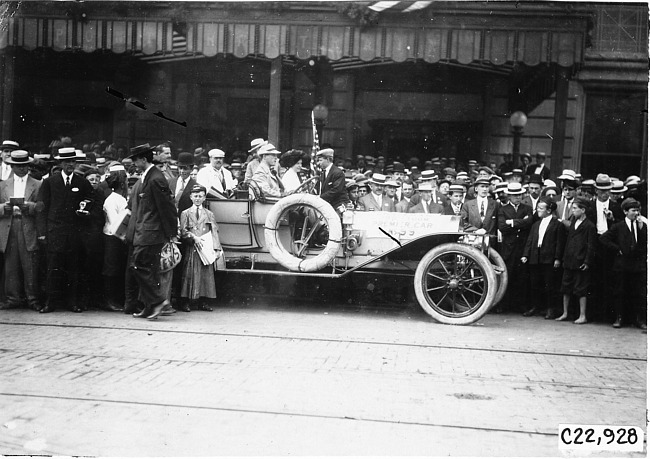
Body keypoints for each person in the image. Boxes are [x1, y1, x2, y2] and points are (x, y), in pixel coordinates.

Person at [123, 144, 178, 320]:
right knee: (149, 269)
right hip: (145, 231)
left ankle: (158, 301)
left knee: (138, 264)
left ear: (144, 159)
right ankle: (149, 306)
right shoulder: (148, 176)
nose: (133, 163)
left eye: (135, 160)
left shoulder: (155, 178)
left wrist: (171, 233)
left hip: (150, 233)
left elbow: (167, 207)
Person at [37, 147, 94, 313]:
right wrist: (42, 233)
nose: (70, 165)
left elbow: (90, 200)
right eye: (67, 162)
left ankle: (72, 302)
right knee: (52, 269)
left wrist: (86, 210)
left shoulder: (82, 182)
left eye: (73, 162)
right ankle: (50, 302)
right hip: (55, 233)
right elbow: (42, 209)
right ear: (61, 163)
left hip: (74, 234)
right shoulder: (49, 182)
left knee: (73, 270)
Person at [0, 150, 42, 311]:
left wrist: (30, 207)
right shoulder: (3, 185)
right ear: (12, 166)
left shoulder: (37, 184)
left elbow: (42, 206)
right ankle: (13, 298)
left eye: (25, 165)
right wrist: (4, 208)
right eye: (18, 166)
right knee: (11, 264)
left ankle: (32, 298)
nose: (22, 169)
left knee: (30, 262)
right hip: (10, 225)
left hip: (28, 225)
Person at [599, 198, 647, 329]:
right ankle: (619, 318)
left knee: (638, 293)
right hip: (622, 265)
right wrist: (617, 249)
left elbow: (644, 243)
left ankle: (639, 319)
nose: (636, 213)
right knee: (620, 292)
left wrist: (642, 229)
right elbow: (603, 238)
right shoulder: (618, 226)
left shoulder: (642, 225)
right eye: (633, 211)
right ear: (625, 212)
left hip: (637, 265)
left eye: (638, 210)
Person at [520, 197, 566, 319]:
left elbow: (559, 243)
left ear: (549, 210)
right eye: (538, 208)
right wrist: (525, 254)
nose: (538, 210)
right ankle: (536, 306)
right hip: (535, 256)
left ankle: (550, 308)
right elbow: (530, 240)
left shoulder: (557, 224)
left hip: (549, 258)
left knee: (549, 284)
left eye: (541, 208)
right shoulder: (536, 224)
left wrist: (557, 258)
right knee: (535, 283)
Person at [179, 185, 223, 312]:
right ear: (191, 197)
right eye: (195, 196)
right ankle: (186, 301)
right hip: (192, 247)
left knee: (205, 275)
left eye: (200, 196)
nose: (198, 198)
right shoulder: (185, 213)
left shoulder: (209, 214)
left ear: (204, 198)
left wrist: (217, 248)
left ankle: (203, 301)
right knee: (189, 273)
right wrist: (193, 237)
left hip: (205, 248)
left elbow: (214, 230)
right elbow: (183, 230)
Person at [557, 198, 596, 324]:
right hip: (569, 260)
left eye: (575, 208)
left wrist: (587, 261)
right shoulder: (573, 222)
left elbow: (591, 246)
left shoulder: (589, 226)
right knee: (566, 287)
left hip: (580, 261)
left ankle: (582, 315)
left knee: (581, 288)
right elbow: (568, 242)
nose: (572, 211)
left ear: (583, 210)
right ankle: (565, 313)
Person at [497, 182, 533, 313]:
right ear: (509, 196)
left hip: (523, 246)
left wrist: (511, 222)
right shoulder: (503, 209)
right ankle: (504, 304)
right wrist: (521, 222)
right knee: (507, 275)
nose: (517, 197)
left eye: (519, 195)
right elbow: (502, 227)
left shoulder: (527, 208)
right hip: (508, 247)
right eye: (514, 195)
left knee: (522, 276)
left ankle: (521, 305)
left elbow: (529, 223)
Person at [101, 171, 129, 312]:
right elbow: (115, 223)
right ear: (122, 184)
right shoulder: (112, 200)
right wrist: (124, 237)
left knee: (118, 268)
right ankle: (109, 300)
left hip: (121, 238)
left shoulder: (122, 199)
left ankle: (117, 299)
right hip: (113, 238)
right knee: (111, 268)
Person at [315, 148, 348, 214]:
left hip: (338, 204)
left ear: (327, 159)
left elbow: (336, 190)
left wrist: (320, 197)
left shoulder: (337, 173)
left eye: (320, 160)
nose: (318, 163)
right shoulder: (323, 173)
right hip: (328, 205)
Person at [169, 152, 196, 216]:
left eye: (185, 168)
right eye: (180, 168)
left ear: (191, 169)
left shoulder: (195, 186)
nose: (182, 171)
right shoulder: (169, 182)